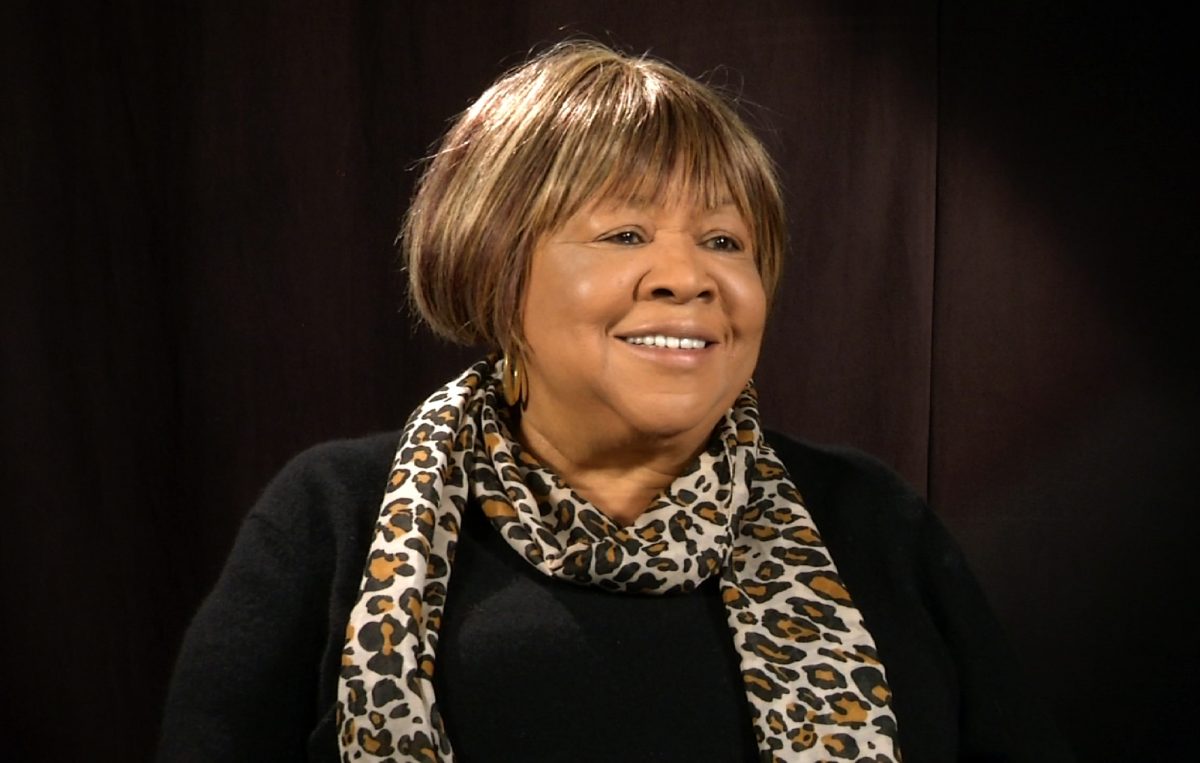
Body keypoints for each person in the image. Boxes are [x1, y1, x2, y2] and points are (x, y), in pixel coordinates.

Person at [157, 42, 1069, 762]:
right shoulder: (333, 517)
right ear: (496, 268)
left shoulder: (871, 521)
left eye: (724, 239)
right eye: (626, 232)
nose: (686, 276)